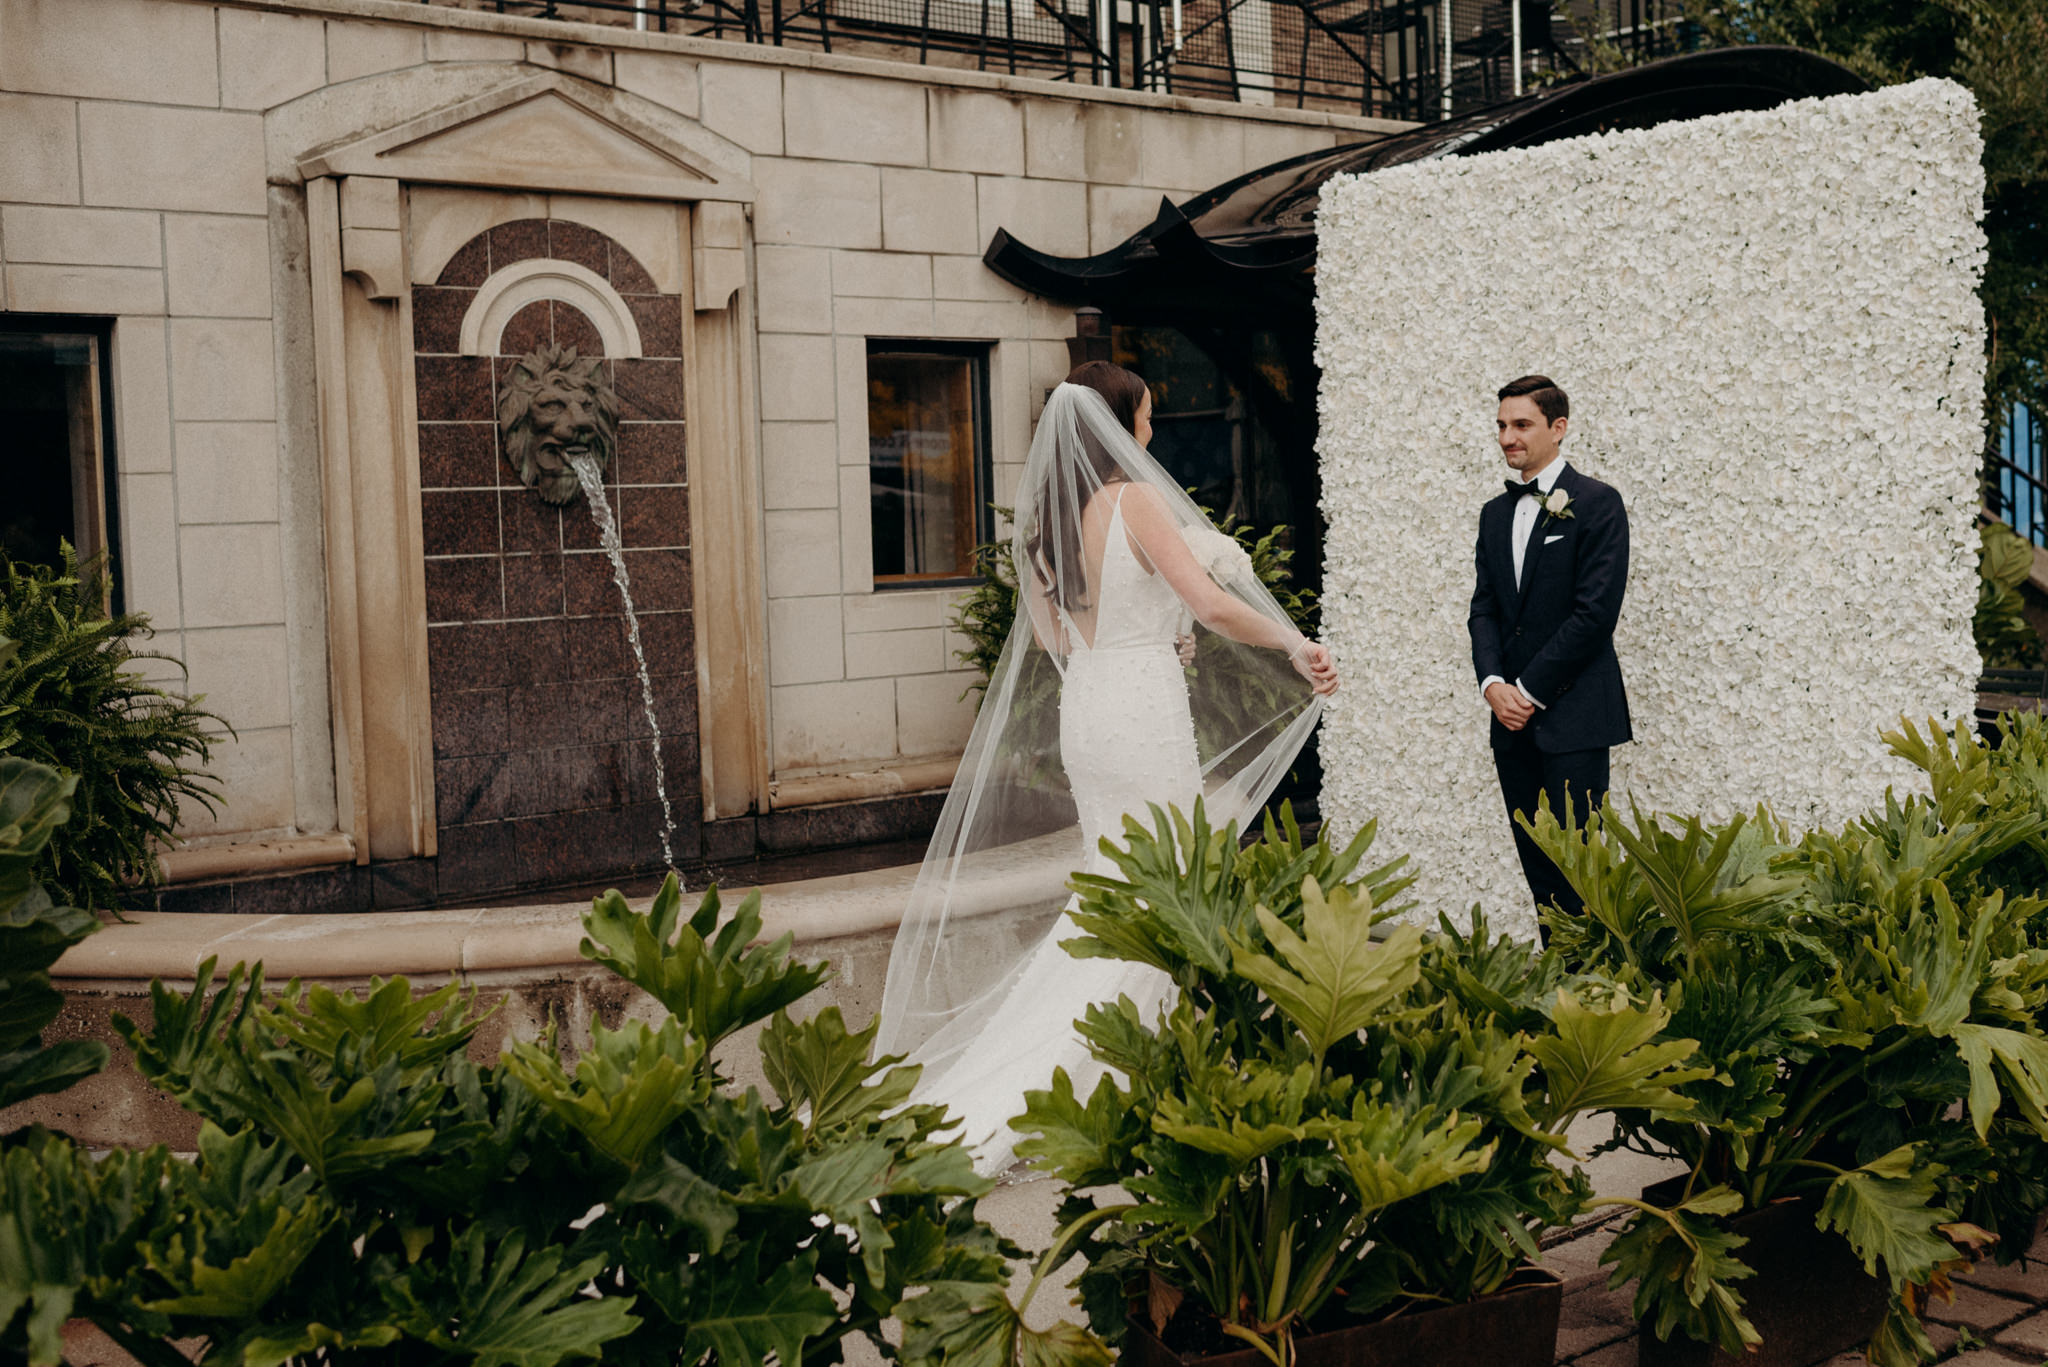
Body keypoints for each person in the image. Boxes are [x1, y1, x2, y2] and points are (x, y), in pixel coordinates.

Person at [873, 362, 1338, 1177]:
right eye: (1146, 415)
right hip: (1142, 713)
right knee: (1165, 882)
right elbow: (1211, 603)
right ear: (1121, 423)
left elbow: (1058, 643)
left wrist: (1139, 642)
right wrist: (1294, 644)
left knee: (1115, 884)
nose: (1151, 429)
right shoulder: (1134, 499)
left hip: (1089, 707)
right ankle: (1121, 1073)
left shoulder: (1044, 522)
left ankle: (1118, 1069)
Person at [1467, 374, 1631, 924]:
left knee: (1581, 872)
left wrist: (1528, 691)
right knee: (1538, 871)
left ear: (1558, 428)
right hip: (1509, 724)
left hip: (1575, 717)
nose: (1507, 437)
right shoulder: (1493, 514)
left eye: (1521, 425)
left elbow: (1594, 615)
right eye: (1501, 426)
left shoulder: (1599, 503)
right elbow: (1484, 609)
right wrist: (1493, 686)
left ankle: (1596, 994)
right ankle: (1558, 991)